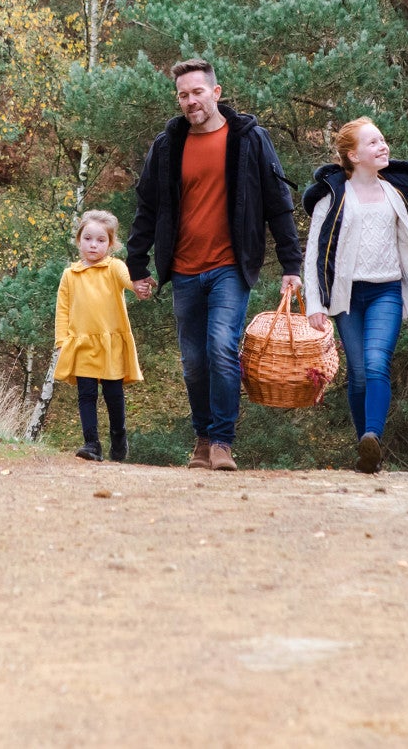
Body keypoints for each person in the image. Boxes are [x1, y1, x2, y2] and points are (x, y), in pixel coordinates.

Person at [128, 59, 304, 472]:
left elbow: (278, 205)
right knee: (193, 359)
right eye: (183, 95)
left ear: (216, 92)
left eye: (197, 92)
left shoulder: (249, 139)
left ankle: (223, 441)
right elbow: (147, 208)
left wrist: (290, 263)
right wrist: (137, 263)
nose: (190, 102)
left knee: (221, 346)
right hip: (185, 269)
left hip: (230, 265)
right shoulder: (167, 145)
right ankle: (203, 438)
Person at [302, 119, 408, 474]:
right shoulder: (332, 197)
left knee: (377, 363)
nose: (382, 146)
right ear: (353, 155)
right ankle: (368, 450)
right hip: (348, 296)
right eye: (373, 142)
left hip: (386, 292)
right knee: (358, 373)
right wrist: (315, 305)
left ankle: (372, 434)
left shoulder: (398, 192)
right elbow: (315, 252)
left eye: (383, 139)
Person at [53, 210, 142, 463]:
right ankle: (91, 443)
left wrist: (139, 285)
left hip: (110, 343)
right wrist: (61, 342)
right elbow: (62, 310)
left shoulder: (114, 267)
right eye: (88, 238)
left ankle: (118, 436)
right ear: (79, 240)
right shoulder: (70, 274)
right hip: (80, 343)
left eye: (101, 240)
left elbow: (129, 280)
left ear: (111, 244)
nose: (94, 244)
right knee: (86, 394)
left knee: (113, 395)